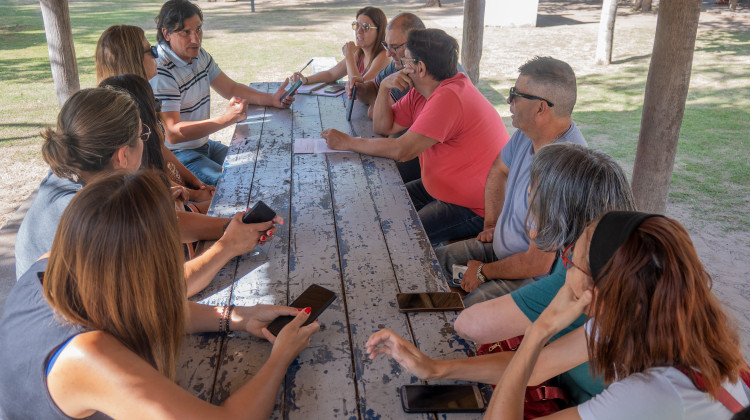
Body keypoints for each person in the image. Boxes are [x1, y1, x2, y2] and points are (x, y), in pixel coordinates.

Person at [0, 170, 319, 418]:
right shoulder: (88, 355)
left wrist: (237, 318)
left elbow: (141, 306)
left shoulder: (53, 264)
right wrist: (281, 357)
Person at [365, 143, 636, 406]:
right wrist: (437, 369)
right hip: (560, 386)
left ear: (558, 210)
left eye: (534, 192)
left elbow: (471, 326)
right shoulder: (598, 265)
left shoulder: (581, 275)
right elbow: (538, 366)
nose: (528, 194)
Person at [483, 211, 749, 419]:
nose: (567, 268)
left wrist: (537, 333)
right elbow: (537, 371)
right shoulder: (657, 319)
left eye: (570, 259)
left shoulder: (655, 394)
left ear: (595, 292)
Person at [14, 88, 275, 298]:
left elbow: (163, 224)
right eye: (143, 135)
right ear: (122, 155)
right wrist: (228, 246)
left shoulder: (75, 172)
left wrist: (232, 226)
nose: (145, 141)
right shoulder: (92, 213)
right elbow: (163, 292)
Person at [322, 28, 510, 245]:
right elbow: (384, 126)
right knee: (378, 202)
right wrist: (383, 88)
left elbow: (401, 151)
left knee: (399, 239)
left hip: (474, 207)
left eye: (406, 60)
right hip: (442, 190)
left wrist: (348, 142)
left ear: (420, 68)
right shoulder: (424, 91)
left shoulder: (449, 98)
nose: (401, 64)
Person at [435, 56, 586, 307]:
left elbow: (538, 263)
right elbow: (499, 170)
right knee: (437, 260)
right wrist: (492, 223)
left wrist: (483, 272)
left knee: (471, 310)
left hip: (531, 278)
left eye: (516, 94)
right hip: (501, 250)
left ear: (540, 108)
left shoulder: (564, 168)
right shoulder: (527, 134)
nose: (509, 100)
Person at [151, 0, 294, 186]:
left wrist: (271, 99)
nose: (196, 39)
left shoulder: (198, 54)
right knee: (236, 184)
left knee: (259, 169)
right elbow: (173, 133)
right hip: (179, 155)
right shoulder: (162, 71)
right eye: (186, 32)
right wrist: (226, 119)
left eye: (199, 29)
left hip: (204, 145)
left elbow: (230, 88)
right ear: (166, 33)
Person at [95, 23, 215, 202]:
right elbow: (143, 174)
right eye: (150, 50)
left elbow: (159, 146)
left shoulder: (142, 95)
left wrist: (194, 181)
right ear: (132, 59)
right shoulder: (123, 112)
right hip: (153, 199)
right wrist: (195, 195)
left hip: (170, 189)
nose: (156, 54)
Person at [292, 7, 390, 99]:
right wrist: (306, 80)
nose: (358, 31)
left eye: (365, 27)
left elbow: (359, 90)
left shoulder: (384, 56)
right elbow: (331, 74)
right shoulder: (359, 54)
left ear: (379, 31)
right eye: (357, 25)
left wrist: (349, 56)